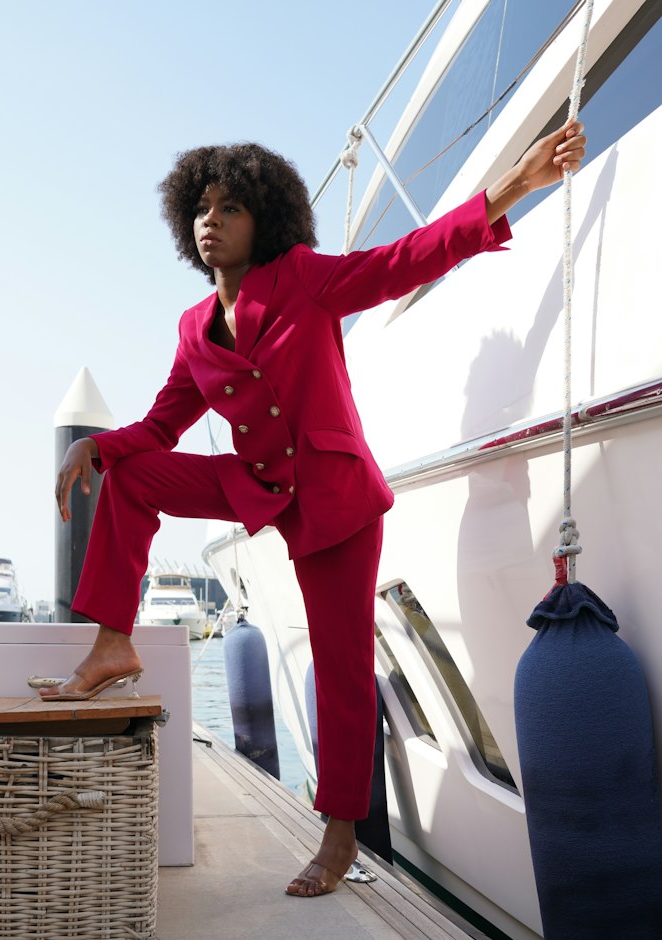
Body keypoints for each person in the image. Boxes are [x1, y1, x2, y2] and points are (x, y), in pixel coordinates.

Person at [42, 121, 586, 897]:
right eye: (201, 208)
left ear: (265, 220)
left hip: (333, 496)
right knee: (134, 474)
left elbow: (403, 261)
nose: (212, 220)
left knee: (340, 670)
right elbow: (162, 426)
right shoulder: (195, 330)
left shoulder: (302, 278)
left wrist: (512, 187)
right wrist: (94, 447)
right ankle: (111, 643)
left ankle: (339, 835)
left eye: (230, 207)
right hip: (258, 482)